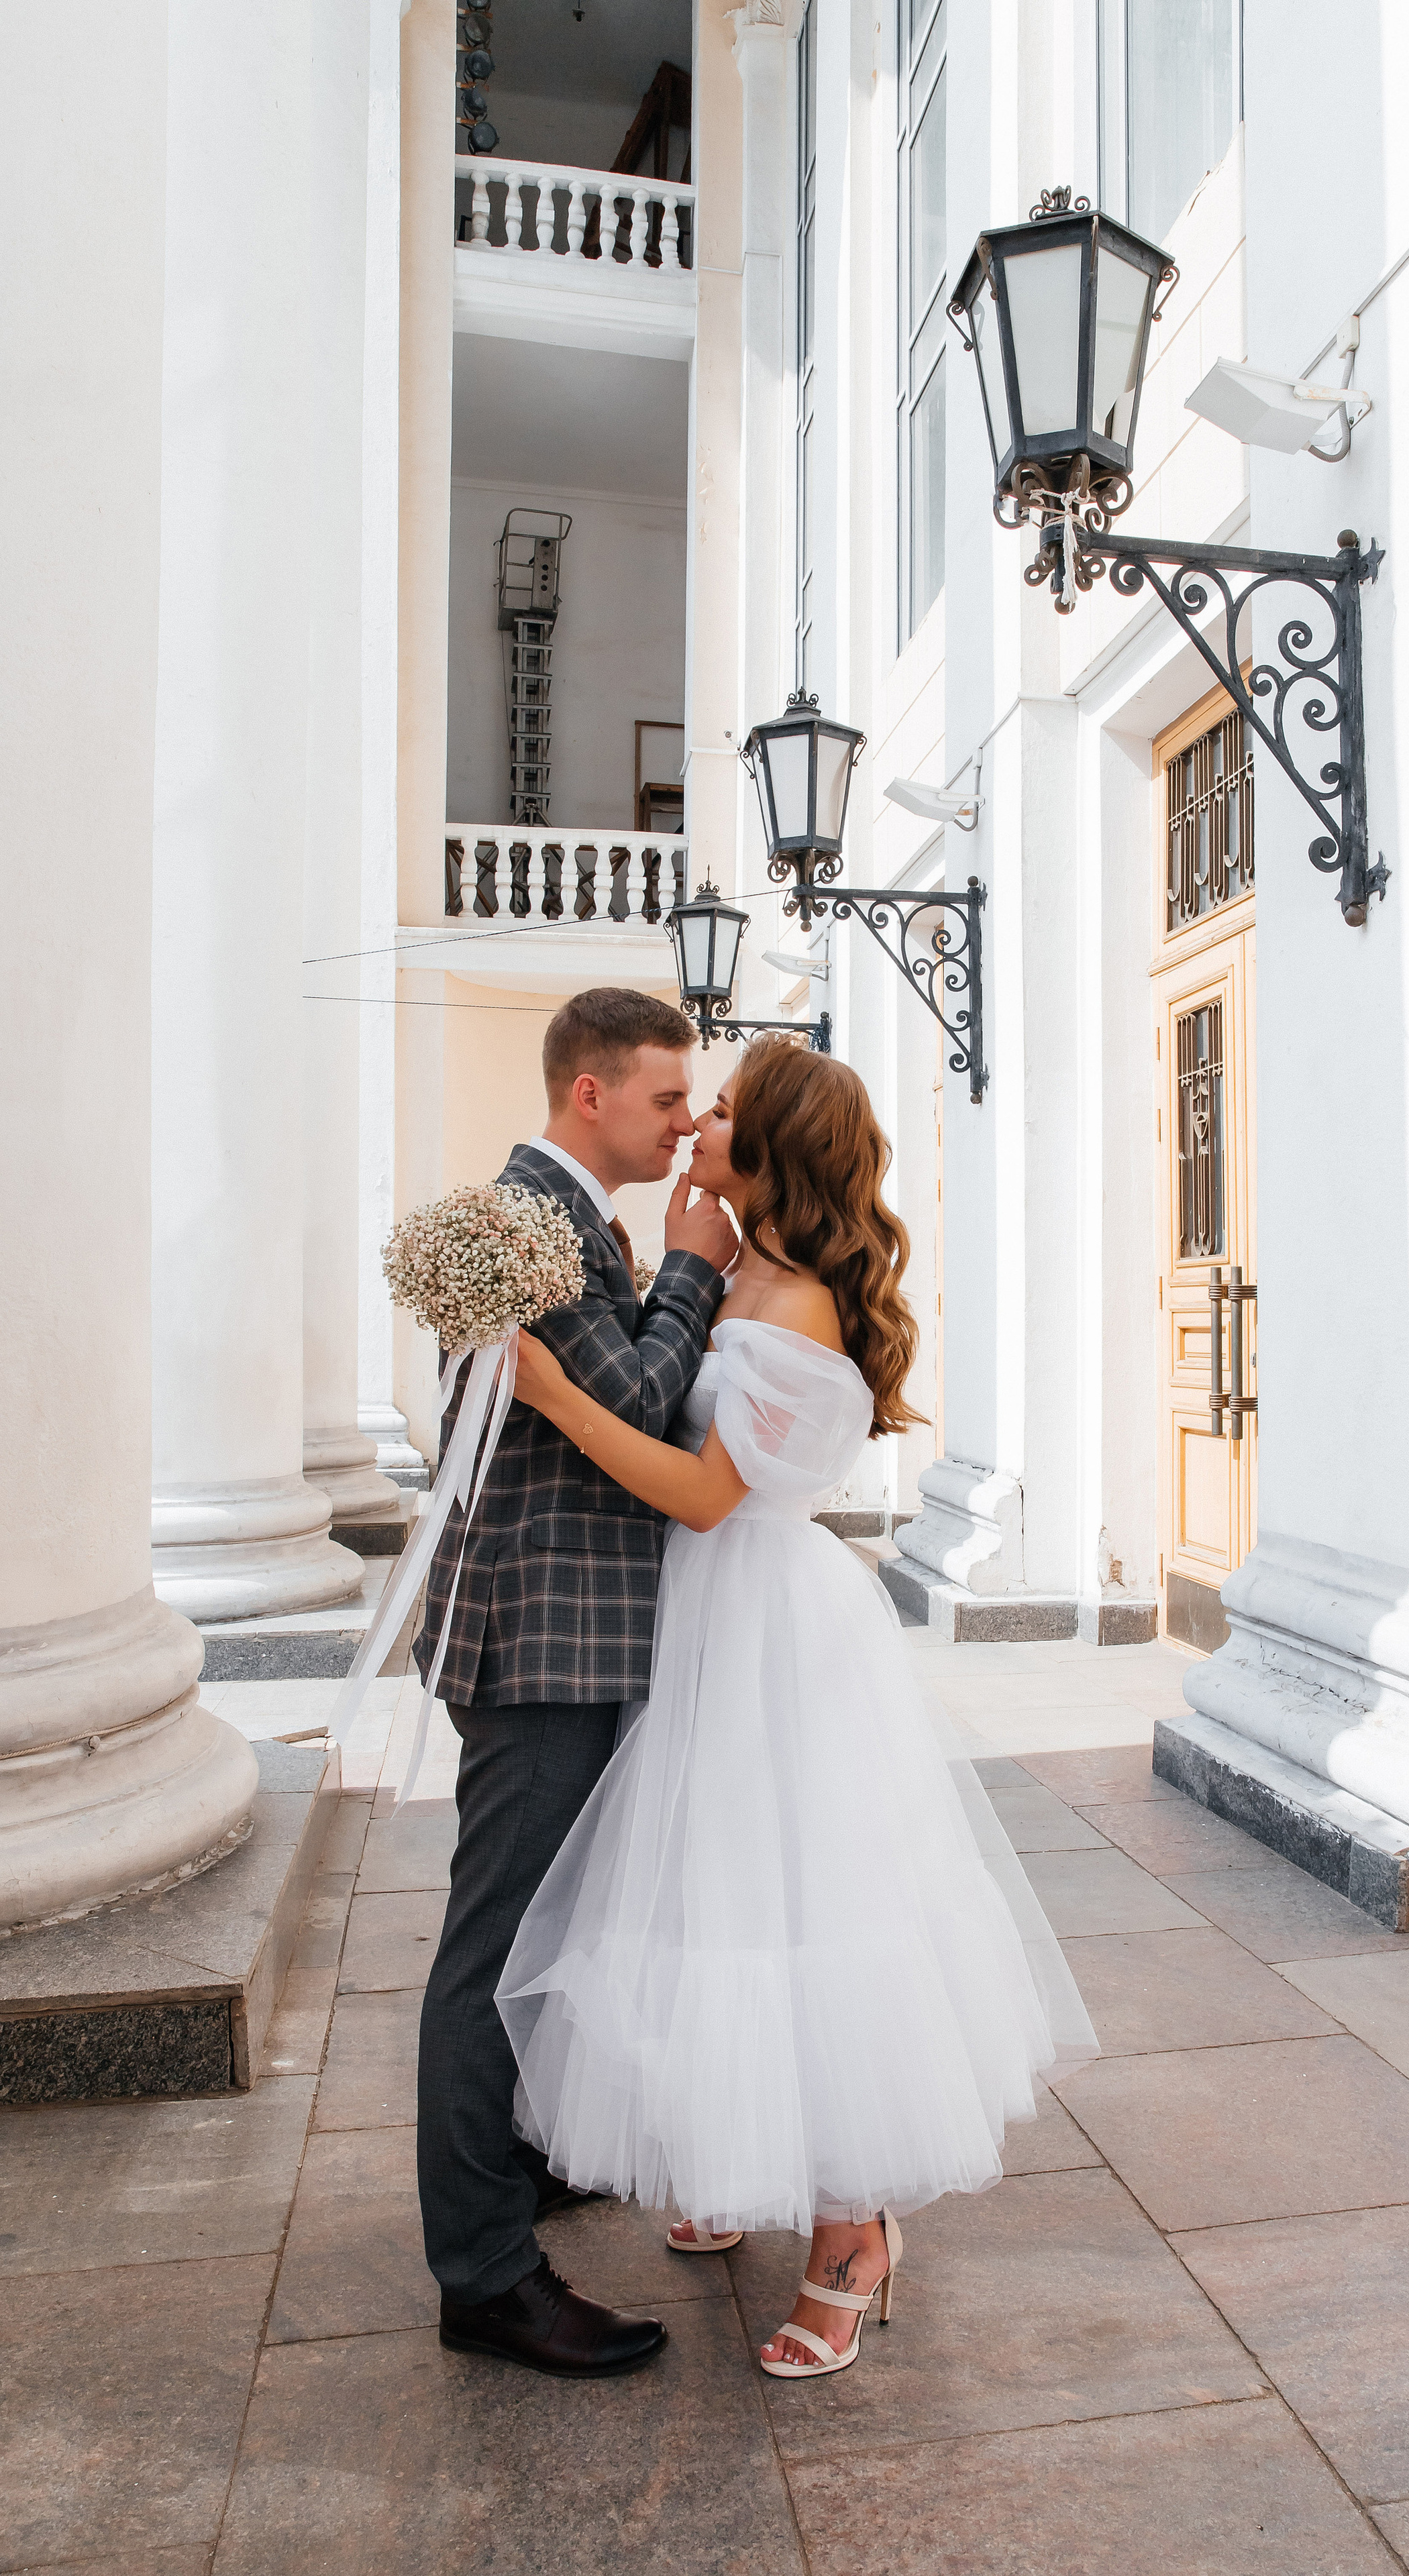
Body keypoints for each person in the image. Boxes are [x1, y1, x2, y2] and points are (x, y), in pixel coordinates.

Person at [498, 1038, 1098, 2381]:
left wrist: (546, 1392)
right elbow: (667, 1383)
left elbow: (707, 1493)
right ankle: (737, 2151)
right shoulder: (739, 1266)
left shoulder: (807, 1305)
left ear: (771, 1144)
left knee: (807, 1903)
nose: (698, 1121)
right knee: (709, 1893)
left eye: (722, 1110)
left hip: (765, 1618)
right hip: (705, 1618)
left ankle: (849, 2232)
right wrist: (680, 1260)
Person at [418, 987, 737, 2380]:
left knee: (543, 1938)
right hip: (539, 1641)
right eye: (669, 1099)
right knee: (491, 1963)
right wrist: (693, 1270)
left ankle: (519, 2165)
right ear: (589, 1094)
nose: (684, 1124)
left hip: (564, 1631)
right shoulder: (534, 1225)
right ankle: (486, 2274)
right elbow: (642, 1401)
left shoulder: (552, 1216)